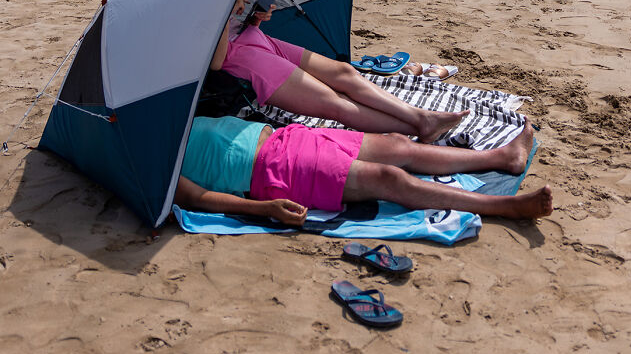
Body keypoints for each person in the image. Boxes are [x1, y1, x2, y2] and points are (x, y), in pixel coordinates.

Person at [174, 113, 552, 225]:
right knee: (386, 179)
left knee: (399, 146)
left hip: (286, 138)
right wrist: (264, 208)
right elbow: (196, 197)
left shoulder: (159, 104)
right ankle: (504, 207)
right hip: (270, 171)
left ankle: (501, 159)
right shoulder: (139, 156)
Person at [210, 0, 469, 143]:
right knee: (334, 103)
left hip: (252, 36)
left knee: (344, 72)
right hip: (237, 59)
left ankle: (419, 117)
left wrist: (255, 16)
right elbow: (215, 63)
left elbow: (238, 22)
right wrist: (221, 14)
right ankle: (419, 125)